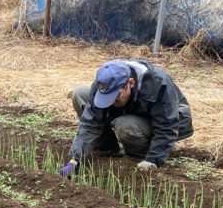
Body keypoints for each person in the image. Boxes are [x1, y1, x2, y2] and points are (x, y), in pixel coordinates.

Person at [60, 59, 193, 177]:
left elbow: (166, 126)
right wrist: (75, 159)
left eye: (116, 97)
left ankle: (138, 155)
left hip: (172, 118)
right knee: (81, 93)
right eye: (107, 98)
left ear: (130, 83)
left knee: (125, 125)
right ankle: (107, 148)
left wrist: (153, 160)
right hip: (132, 110)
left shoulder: (158, 83)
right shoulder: (104, 82)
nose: (111, 103)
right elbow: (90, 122)